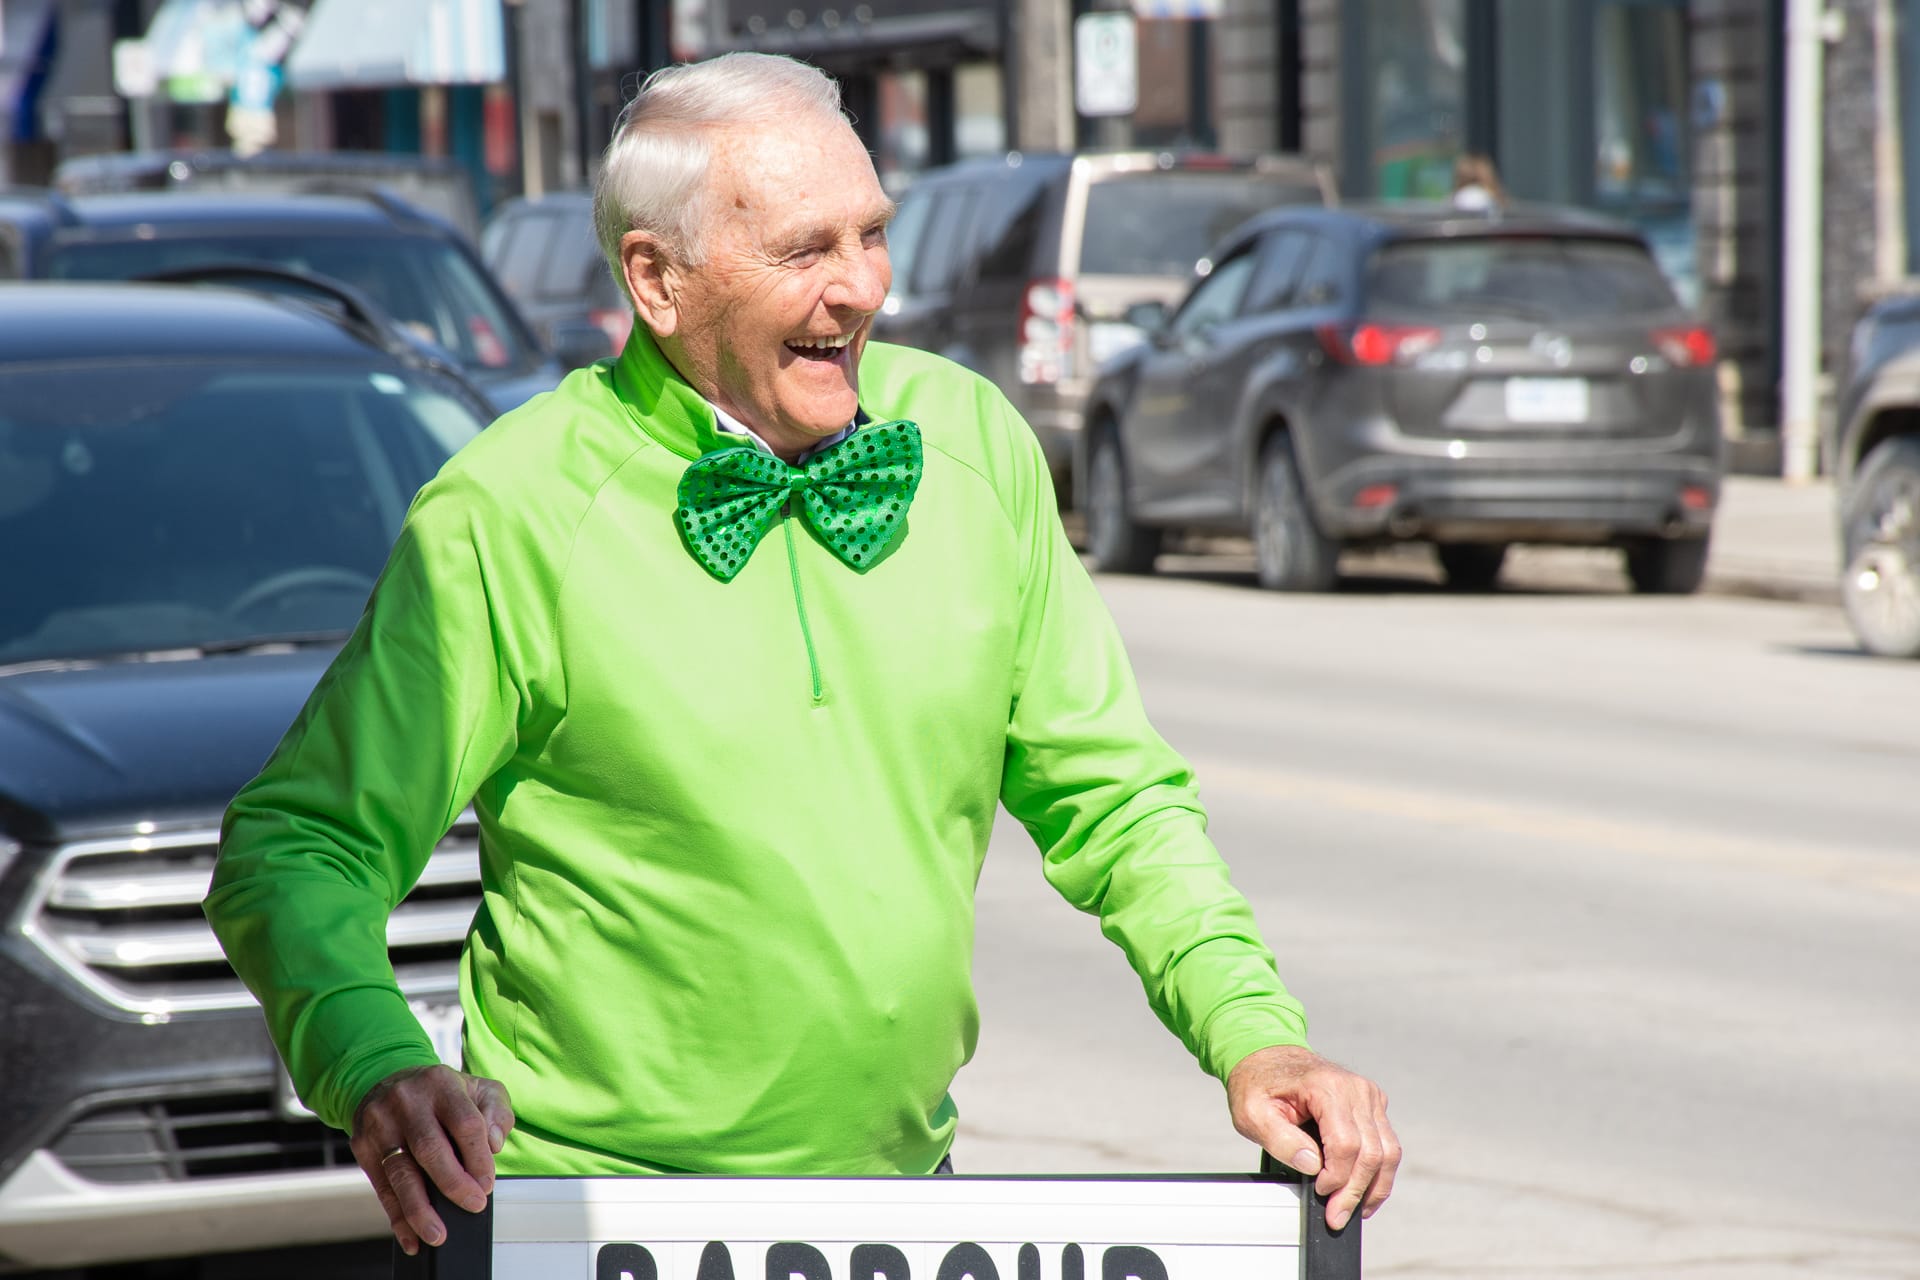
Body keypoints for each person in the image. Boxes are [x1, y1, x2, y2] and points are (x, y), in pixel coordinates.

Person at [203, 52, 1401, 1258]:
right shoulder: (511, 514)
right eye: (805, 250)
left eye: (872, 234)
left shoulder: (972, 442)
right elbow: (298, 848)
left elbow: (1118, 799)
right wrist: (376, 1061)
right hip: (593, 1221)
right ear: (657, 281)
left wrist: (1258, 1033)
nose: (862, 288)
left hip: (901, 1209)